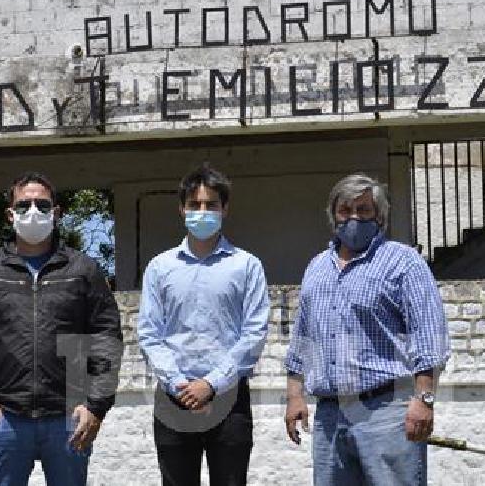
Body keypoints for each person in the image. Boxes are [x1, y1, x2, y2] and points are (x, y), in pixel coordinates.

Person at [0, 171, 123, 485]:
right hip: (6, 420)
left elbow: (107, 337)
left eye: (42, 205)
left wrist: (96, 406)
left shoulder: (83, 269)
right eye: (24, 205)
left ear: (56, 213)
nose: (33, 212)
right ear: (10, 214)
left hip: (69, 418)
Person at [283, 173, 450, 485]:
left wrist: (424, 399)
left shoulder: (404, 262)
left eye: (364, 210)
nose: (354, 218)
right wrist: (294, 395)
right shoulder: (317, 267)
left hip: (386, 412)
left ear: (380, 216)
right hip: (330, 416)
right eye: (346, 210)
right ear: (333, 215)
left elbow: (428, 334)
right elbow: (303, 337)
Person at [137, 163, 271, 486]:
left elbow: (254, 333)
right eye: (194, 204)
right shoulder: (160, 268)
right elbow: (149, 334)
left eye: (211, 204)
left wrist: (210, 384)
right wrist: (180, 386)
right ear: (181, 209)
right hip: (173, 398)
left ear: (225, 208)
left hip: (229, 398)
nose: (202, 211)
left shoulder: (247, 266)